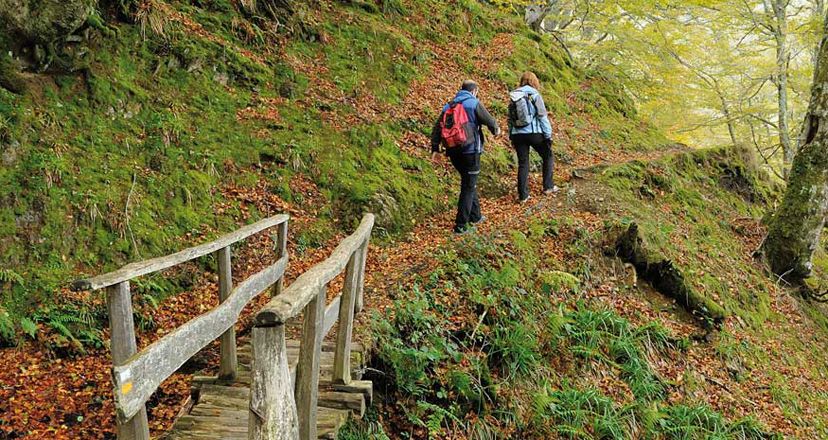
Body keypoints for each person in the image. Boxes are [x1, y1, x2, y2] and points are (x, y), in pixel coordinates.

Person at [430, 80, 500, 234]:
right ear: (474, 91)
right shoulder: (473, 103)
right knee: (468, 186)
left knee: (469, 182)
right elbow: (490, 121)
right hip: (470, 151)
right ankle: (461, 225)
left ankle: (475, 216)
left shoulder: (449, 106)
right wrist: (496, 130)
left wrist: (435, 149)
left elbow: (437, 129)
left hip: (454, 152)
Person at [508, 71, 557, 203]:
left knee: (523, 163)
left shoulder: (514, 95)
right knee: (548, 155)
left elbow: (510, 118)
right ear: (534, 81)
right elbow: (542, 116)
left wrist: (511, 135)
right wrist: (548, 135)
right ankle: (548, 187)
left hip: (517, 134)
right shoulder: (535, 94)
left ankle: (523, 196)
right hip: (534, 133)